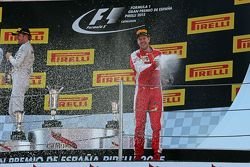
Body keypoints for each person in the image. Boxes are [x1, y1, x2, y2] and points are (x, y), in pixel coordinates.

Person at [130, 29, 163, 161]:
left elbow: (162, 72)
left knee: (157, 125)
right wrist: (153, 65)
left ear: (149, 39)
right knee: (139, 125)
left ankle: (157, 155)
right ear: (138, 41)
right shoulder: (134, 55)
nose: (142, 41)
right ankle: (137, 155)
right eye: (139, 39)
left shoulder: (159, 54)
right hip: (141, 93)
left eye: (144, 38)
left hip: (156, 93)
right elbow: (141, 71)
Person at [5, 27, 34, 133]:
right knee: (11, 110)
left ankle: (20, 131)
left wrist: (9, 57)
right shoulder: (26, 47)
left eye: (19, 35)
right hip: (20, 79)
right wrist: (10, 75)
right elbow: (23, 67)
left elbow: (17, 63)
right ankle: (19, 129)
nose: (17, 37)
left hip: (21, 80)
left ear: (26, 36)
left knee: (17, 106)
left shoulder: (25, 47)